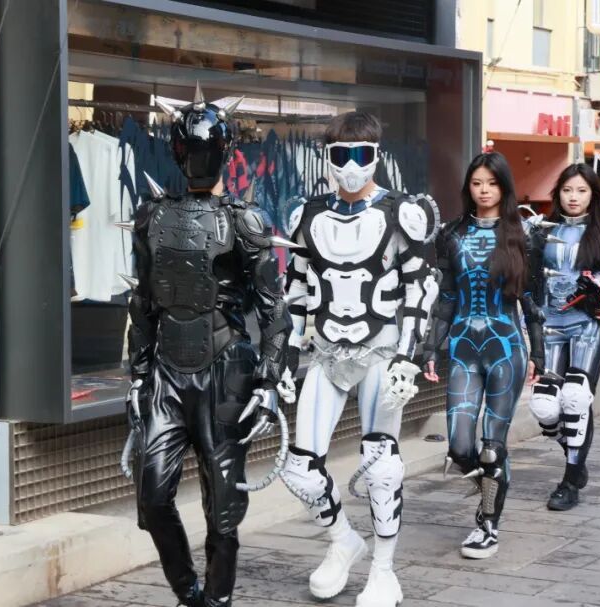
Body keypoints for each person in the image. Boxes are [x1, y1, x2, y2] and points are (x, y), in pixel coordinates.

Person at [118, 85, 293, 607]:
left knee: (223, 510)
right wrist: (138, 376)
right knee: (153, 499)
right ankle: (190, 593)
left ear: (224, 151)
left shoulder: (244, 221)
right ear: (177, 152)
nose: (198, 157)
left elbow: (274, 310)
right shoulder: (152, 217)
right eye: (189, 148)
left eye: (207, 148)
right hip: (166, 374)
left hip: (226, 373)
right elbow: (143, 301)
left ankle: (217, 600)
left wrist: (268, 382)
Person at [282, 111, 439, 607]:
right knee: (299, 468)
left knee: (381, 466)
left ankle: (384, 571)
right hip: (327, 351)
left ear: (376, 155)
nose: (351, 165)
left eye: (361, 154)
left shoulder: (400, 212)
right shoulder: (307, 215)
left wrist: (407, 357)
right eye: (341, 154)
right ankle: (342, 540)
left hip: (382, 349)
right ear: (327, 158)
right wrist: (285, 356)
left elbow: (420, 288)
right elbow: (296, 291)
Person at [422, 152, 546, 559]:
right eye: (476, 183)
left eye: (491, 183)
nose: (484, 190)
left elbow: (532, 301)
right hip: (461, 348)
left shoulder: (525, 235)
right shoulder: (450, 234)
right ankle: (493, 484)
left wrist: (539, 354)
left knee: (493, 446)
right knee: (460, 447)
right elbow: (445, 297)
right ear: (468, 187)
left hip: (506, 347)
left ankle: (488, 524)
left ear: (504, 187)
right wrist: (429, 347)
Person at [526, 163, 600, 511]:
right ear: (558, 193)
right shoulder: (539, 229)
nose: (574, 197)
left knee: (575, 398)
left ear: (593, 195)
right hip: (548, 326)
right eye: (568, 190)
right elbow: (528, 282)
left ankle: (570, 480)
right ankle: (576, 454)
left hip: (588, 324)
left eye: (582, 191)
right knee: (544, 407)